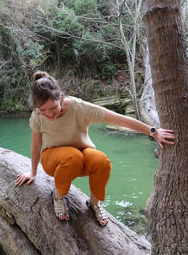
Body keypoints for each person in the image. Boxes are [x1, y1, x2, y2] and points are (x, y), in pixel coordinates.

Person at [16, 71, 175, 227]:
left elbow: (120, 119)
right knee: (72, 157)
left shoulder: (79, 107)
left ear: (61, 97)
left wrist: (154, 131)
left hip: (81, 156)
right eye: (42, 110)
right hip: (54, 161)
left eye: (52, 108)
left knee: (102, 161)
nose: (48, 114)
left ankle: (94, 203)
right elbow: (36, 145)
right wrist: (33, 172)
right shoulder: (37, 115)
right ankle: (57, 197)